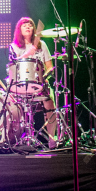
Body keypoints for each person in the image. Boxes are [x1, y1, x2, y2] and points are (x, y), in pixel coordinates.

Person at [8, 17, 59, 145]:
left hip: (39, 85)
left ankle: (52, 139)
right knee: (10, 103)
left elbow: (49, 67)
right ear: (19, 29)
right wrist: (28, 53)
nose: (28, 27)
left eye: (30, 25)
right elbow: (13, 65)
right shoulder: (14, 47)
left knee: (50, 101)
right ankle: (14, 139)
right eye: (24, 25)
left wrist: (45, 79)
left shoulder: (42, 45)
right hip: (20, 86)